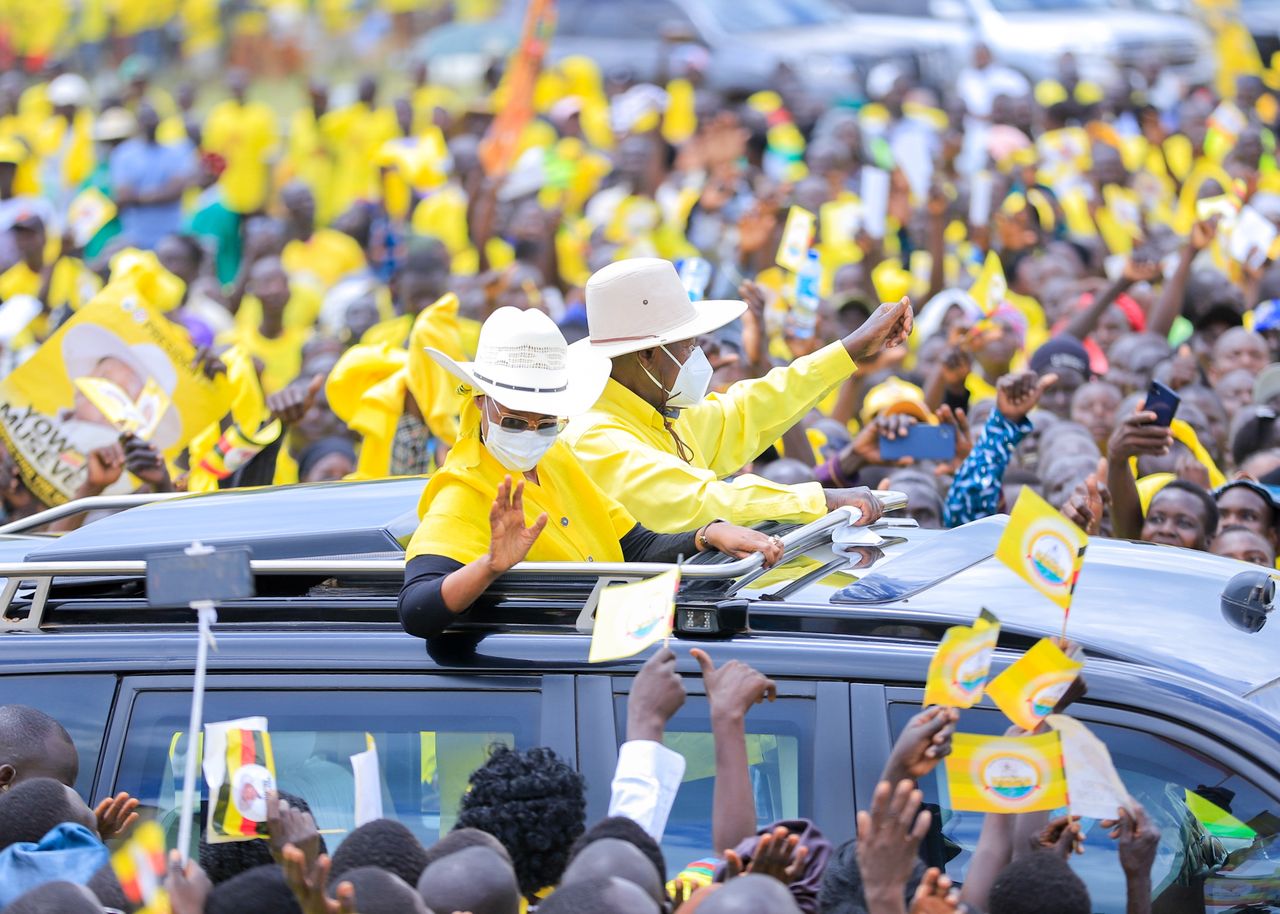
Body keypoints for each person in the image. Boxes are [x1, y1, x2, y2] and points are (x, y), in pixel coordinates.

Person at [398, 306, 782, 640]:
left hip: (600, 653)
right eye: (514, 421)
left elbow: (632, 546)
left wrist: (706, 534)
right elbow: (416, 611)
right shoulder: (463, 490)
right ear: (482, 402)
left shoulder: (558, 459)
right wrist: (491, 565)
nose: (532, 434)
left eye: (546, 422)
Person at [564, 258, 909, 533]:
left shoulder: (661, 412)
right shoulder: (596, 437)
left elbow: (749, 410)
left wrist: (850, 349)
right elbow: (700, 501)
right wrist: (821, 499)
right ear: (649, 356)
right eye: (689, 345)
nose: (698, 355)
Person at [108, 102, 196, 249]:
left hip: (171, 235)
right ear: (137, 123)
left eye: (152, 119)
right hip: (135, 235)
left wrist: (138, 197)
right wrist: (159, 193)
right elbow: (123, 195)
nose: (149, 123)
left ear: (159, 121)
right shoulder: (123, 154)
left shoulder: (177, 152)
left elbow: (175, 192)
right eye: (144, 119)